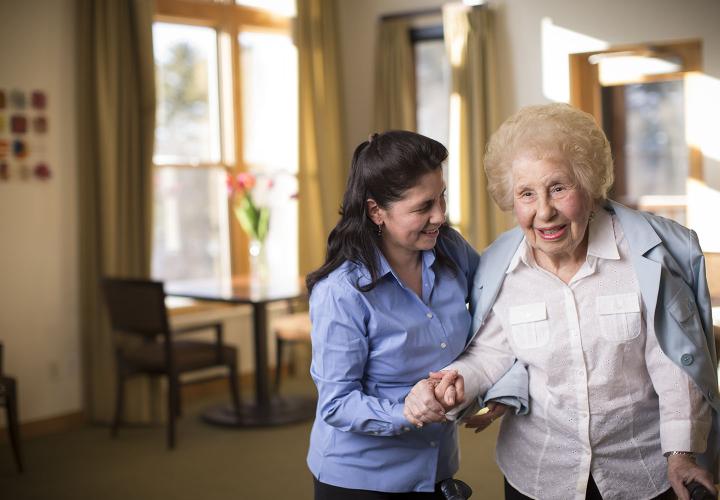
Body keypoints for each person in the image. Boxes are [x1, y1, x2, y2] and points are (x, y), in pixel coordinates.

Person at [404, 103, 719, 500]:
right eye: (526, 194)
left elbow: (673, 366)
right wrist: (456, 382)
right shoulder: (502, 269)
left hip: (641, 469)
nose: (544, 212)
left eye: (558, 188)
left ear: (588, 187)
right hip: (539, 472)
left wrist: (680, 453)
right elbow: (490, 351)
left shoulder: (642, 262)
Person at [305, 130, 481, 499]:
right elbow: (337, 404)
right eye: (423, 207)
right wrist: (406, 410)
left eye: (441, 197)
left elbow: (496, 313)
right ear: (376, 211)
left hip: (438, 467)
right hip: (361, 480)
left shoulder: (451, 249)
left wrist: (488, 384)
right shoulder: (341, 293)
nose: (440, 216)